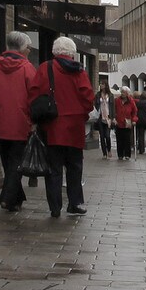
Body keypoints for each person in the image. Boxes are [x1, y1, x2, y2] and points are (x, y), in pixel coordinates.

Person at [30, 36, 95, 219]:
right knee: (74, 166)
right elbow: (88, 98)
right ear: (72, 53)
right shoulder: (79, 71)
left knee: (53, 168)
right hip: (74, 127)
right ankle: (75, 203)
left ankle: (55, 207)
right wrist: (82, 113)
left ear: (54, 51)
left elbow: (34, 94)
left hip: (52, 126)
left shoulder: (45, 68)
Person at [0, 30, 37, 213]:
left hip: (0, 124)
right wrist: (34, 121)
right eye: (28, 47)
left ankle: (16, 200)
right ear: (21, 48)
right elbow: (34, 98)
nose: (29, 51)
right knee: (16, 165)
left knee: (8, 163)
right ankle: (7, 198)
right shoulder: (27, 68)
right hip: (21, 124)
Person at [113, 86, 138, 160]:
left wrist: (134, 120)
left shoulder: (131, 101)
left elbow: (134, 112)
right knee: (119, 139)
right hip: (119, 122)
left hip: (127, 123)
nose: (122, 94)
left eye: (124, 92)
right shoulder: (117, 100)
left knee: (127, 139)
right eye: (122, 92)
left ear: (127, 93)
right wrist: (114, 118)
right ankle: (120, 154)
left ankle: (127, 154)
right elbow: (114, 110)